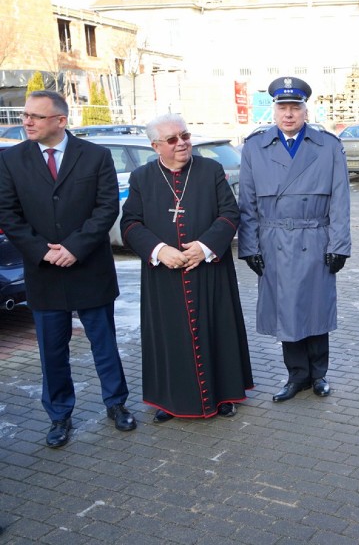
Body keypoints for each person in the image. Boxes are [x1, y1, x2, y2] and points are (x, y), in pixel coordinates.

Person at [0, 90, 136, 447]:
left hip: (89, 268)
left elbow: (106, 208)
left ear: (60, 121)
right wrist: (43, 252)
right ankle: (59, 416)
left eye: (35, 116)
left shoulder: (96, 156)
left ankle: (116, 404)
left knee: (103, 343)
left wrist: (74, 248)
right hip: (44, 271)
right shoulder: (12, 160)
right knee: (52, 350)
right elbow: (8, 214)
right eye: (25, 115)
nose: (26, 121)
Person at [120, 114, 254, 422]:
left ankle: (223, 395)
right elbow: (129, 223)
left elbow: (230, 213)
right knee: (170, 337)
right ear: (156, 146)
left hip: (208, 269)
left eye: (185, 135)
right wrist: (159, 250)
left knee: (216, 329)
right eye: (172, 140)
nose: (182, 143)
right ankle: (170, 400)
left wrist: (204, 246)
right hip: (163, 275)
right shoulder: (142, 177)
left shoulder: (210, 169)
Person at [238, 77, 351, 402]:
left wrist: (339, 245)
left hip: (315, 238)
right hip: (275, 243)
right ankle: (296, 375)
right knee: (286, 311)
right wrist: (249, 247)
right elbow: (248, 203)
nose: (288, 114)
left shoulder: (327, 146)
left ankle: (319, 375)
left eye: (295, 108)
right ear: (274, 111)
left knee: (315, 308)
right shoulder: (255, 147)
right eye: (282, 107)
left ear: (305, 110)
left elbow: (340, 200)